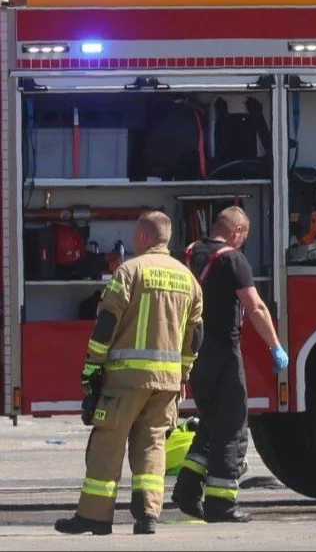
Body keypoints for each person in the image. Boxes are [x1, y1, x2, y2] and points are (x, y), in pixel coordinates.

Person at [56, 211, 204, 536]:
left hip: (126, 379)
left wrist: (92, 366)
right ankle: (149, 516)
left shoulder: (130, 271)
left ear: (144, 238)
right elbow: (195, 336)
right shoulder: (188, 279)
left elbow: (106, 324)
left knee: (108, 442)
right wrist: (183, 375)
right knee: (152, 445)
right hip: (166, 382)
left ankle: (95, 516)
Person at [171, 206, 288, 523]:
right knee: (234, 429)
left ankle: (187, 490)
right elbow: (256, 307)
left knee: (210, 425)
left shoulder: (188, 253)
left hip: (193, 353)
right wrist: (275, 346)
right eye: (243, 238)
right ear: (237, 231)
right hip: (223, 351)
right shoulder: (232, 259)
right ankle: (222, 504)